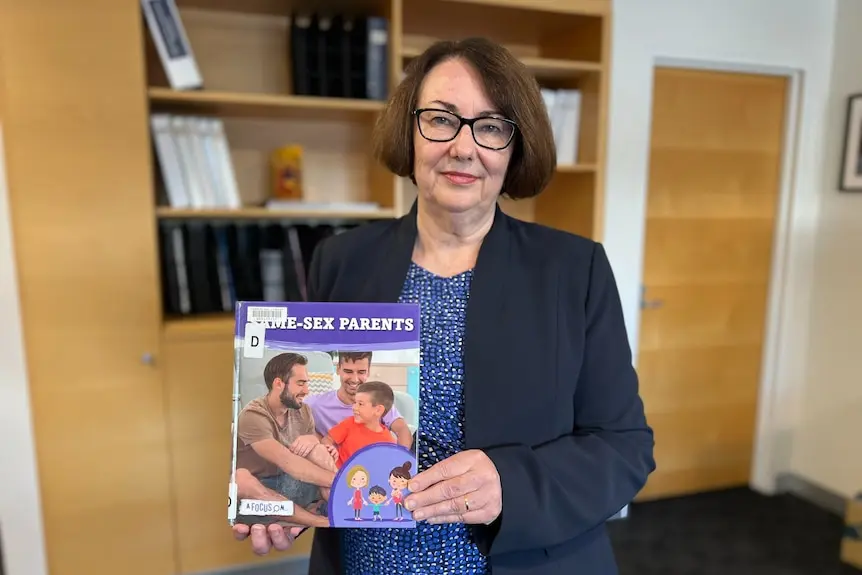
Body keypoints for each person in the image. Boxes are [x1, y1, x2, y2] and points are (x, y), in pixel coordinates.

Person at [232, 36, 656, 574]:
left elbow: (624, 446)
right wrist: (282, 496)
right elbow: (313, 419)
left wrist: (511, 483)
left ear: (513, 146)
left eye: (491, 126)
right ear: (408, 133)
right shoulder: (342, 260)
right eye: (440, 119)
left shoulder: (574, 270)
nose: (463, 146)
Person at [234, 352, 338, 529]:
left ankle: (344, 510)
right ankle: (320, 521)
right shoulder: (253, 415)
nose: (306, 391)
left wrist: (313, 440)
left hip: (292, 486)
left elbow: (315, 452)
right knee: (240, 478)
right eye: (300, 383)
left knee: (319, 450)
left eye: (307, 383)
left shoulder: (303, 411)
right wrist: (342, 482)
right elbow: (288, 462)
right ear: (278, 384)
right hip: (261, 495)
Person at [303, 351, 414, 450]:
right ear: (338, 369)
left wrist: (400, 460)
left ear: (368, 372)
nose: (355, 379)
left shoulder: (378, 403)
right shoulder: (316, 404)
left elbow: (402, 430)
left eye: (361, 372)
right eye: (348, 371)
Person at [321, 380, 397, 468]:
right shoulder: (349, 423)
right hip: (337, 475)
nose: (354, 407)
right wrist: (330, 448)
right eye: (355, 403)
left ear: (378, 410)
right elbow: (327, 439)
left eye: (360, 404)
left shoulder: (388, 442)